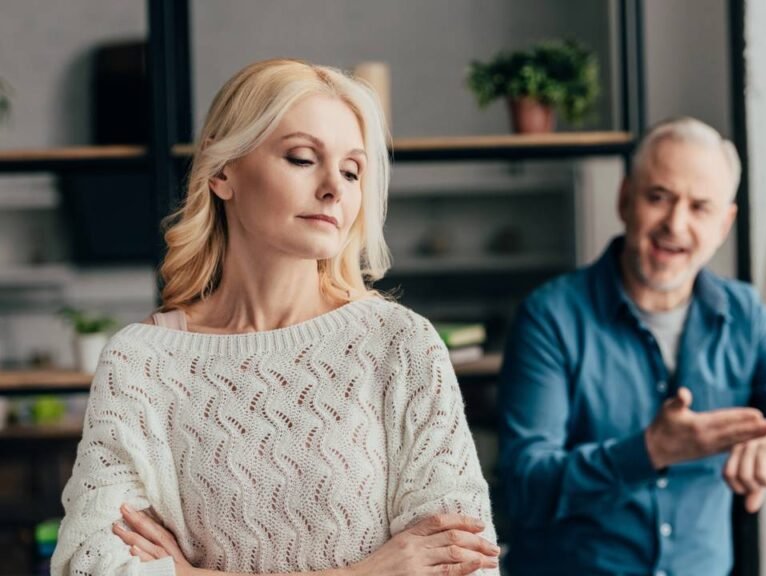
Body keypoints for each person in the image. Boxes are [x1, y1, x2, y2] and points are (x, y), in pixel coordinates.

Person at [51, 59, 499, 576]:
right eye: (303, 159)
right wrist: (369, 572)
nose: (335, 187)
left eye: (352, 171)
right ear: (222, 172)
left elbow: (467, 566)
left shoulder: (400, 346)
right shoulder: (142, 363)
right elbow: (90, 565)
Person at [498, 117, 766, 576]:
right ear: (625, 199)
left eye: (700, 207)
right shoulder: (550, 317)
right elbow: (522, 487)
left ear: (725, 223)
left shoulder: (744, 315)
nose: (676, 224)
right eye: (658, 197)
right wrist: (648, 451)